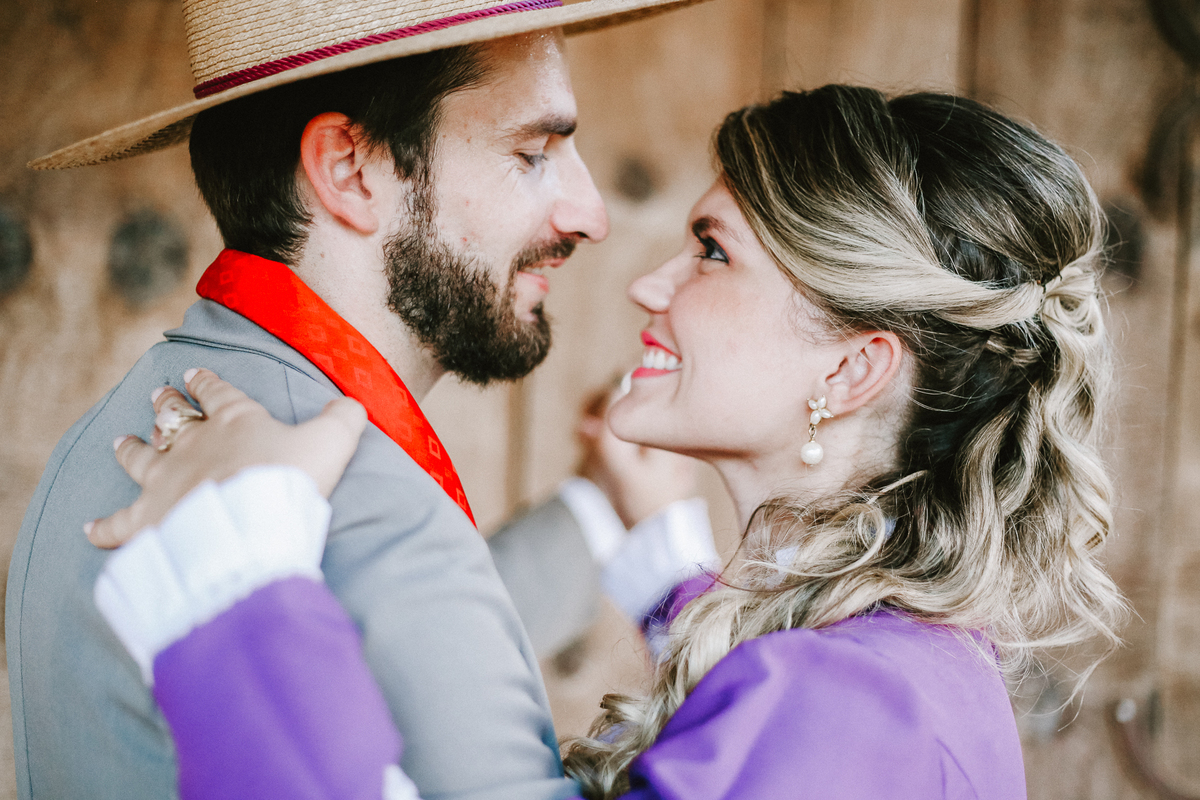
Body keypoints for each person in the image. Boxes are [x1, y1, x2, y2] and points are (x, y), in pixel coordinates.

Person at [89, 85, 1128, 799]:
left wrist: (232, 580)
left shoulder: (854, 707)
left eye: (711, 251)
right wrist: (645, 544)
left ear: (852, 367)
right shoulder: (890, 675)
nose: (649, 284)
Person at [5, 1, 704, 798]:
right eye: (533, 152)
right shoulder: (368, 506)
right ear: (351, 170)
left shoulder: (113, 435)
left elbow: (398, 651)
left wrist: (603, 506)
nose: (592, 215)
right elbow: (401, 580)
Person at [488, 379, 718, 662]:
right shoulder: (539, 551)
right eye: (638, 394)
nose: (670, 437)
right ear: (592, 422)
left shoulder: (650, 583)